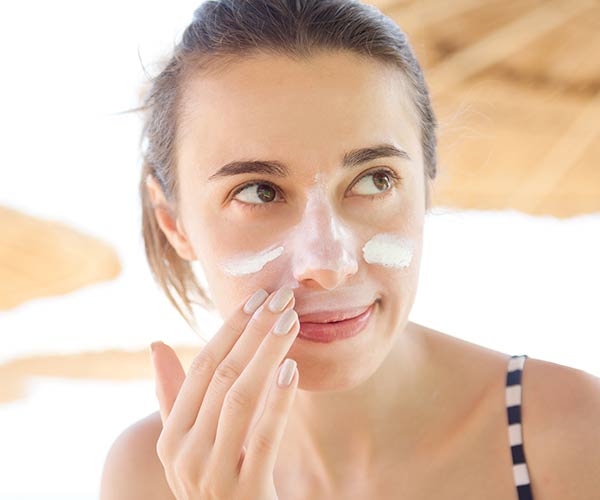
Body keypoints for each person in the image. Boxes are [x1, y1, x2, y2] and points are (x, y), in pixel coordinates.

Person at [100, 1, 600, 498]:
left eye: (375, 180)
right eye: (258, 191)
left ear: (426, 184)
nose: (329, 264)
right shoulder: (149, 477)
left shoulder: (572, 436)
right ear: (173, 223)